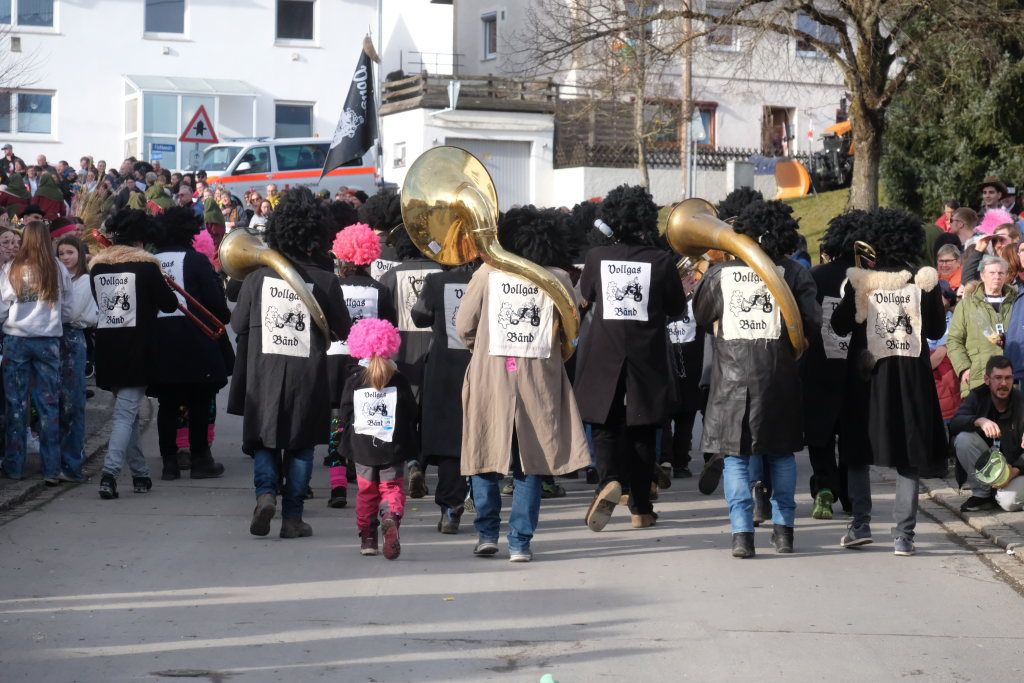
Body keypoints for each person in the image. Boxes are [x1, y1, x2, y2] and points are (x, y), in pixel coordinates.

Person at [457, 205, 590, 562]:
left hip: (491, 374)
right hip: (540, 377)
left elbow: (464, 325)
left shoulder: (488, 272)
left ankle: (487, 533)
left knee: (484, 452)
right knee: (531, 460)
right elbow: (571, 333)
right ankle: (520, 542)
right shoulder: (559, 278)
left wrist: (481, 347)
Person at [693, 200, 820, 558]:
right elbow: (812, 321)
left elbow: (700, 315)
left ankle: (742, 535)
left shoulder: (720, 274)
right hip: (779, 378)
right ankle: (784, 531)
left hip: (730, 381)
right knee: (780, 455)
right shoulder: (795, 273)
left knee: (735, 458)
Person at [228, 187, 351, 539]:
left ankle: (266, 495)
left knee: (264, 440)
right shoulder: (326, 281)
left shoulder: (257, 277)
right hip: (307, 376)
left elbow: (237, 324)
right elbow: (343, 330)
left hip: (263, 373)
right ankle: (293, 518)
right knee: (300, 445)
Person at [832, 208, 947, 557]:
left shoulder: (862, 282)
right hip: (911, 379)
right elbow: (937, 330)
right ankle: (904, 536)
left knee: (857, 451)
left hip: (867, 379)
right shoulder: (923, 282)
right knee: (908, 456)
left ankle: (860, 524)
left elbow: (838, 326)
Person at [574, 186, 687, 532]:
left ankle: (609, 481)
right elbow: (677, 308)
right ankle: (641, 508)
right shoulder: (661, 260)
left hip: (604, 353)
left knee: (605, 424)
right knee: (643, 430)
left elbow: (585, 296)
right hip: (646, 355)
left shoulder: (597, 257)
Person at [90, 209, 179, 498]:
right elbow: (169, 304)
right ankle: (110, 474)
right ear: (140, 240)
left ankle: (140, 473)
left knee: (125, 414)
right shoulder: (147, 267)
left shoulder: (97, 268)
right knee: (124, 416)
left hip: (108, 348)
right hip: (138, 349)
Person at [150, 207, 232, 481]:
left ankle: (169, 464)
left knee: (167, 403)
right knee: (199, 401)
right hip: (195, 340)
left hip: (160, 341)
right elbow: (217, 306)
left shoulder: (150, 262)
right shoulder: (196, 260)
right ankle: (200, 460)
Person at [325, 223, 397, 508]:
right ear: (370, 257)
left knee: (336, 422)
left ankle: (337, 485)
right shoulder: (380, 290)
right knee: (363, 420)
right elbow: (391, 329)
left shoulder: (332, 286)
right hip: (367, 364)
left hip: (334, 359)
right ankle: (362, 473)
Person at [802, 210, 868, 520]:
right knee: (853, 431)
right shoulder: (868, 278)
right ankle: (852, 494)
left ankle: (824, 488)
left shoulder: (815, 275)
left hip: (820, 364)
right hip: (857, 367)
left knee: (821, 432)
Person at [376, 191, 442, 497]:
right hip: (436, 354)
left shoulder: (390, 277)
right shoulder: (442, 274)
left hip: (402, 356)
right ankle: (422, 464)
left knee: (404, 414)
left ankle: (411, 462)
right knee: (429, 415)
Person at [338, 319, 417, 559]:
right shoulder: (399, 379)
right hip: (392, 447)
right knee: (391, 488)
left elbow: (345, 413)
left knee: (366, 492)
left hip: (362, 449)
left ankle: (368, 539)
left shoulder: (354, 379)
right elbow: (411, 412)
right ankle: (390, 516)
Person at [412, 256, 480, 533]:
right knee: (480, 435)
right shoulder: (487, 278)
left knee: (449, 440)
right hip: (480, 366)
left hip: (445, 370)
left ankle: (451, 508)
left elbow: (419, 317)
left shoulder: (436, 281)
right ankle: (476, 503)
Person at [0, 222, 72, 483]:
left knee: (16, 405)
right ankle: (51, 468)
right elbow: (68, 309)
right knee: (48, 405)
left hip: (17, 339)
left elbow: (2, 306)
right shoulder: (57, 268)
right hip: (48, 340)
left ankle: (14, 466)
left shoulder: (12, 268)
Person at [951, 356, 1024, 512]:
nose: (1003, 383)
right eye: (998, 378)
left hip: (1016, 468)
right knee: (963, 439)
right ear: (987, 379)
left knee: (1008, 502)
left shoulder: (1021, 402)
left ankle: (1001, 494)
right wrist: (978, 421)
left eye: (1008, 378)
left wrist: (1014, 471)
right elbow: (955, 423)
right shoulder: (977, 396)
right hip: (991, 463)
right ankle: (982, 495)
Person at [55, 235, 98, 483]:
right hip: (55, 337)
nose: (65, 258)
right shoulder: (60, 278)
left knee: (73, 402)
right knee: (57, 402)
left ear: (79, 254)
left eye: (69, 252)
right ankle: (57, 460)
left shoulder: (84, 280)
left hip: (73, 338)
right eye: (61, 253)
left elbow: (72, 313)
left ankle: (72, 462)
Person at [947, 256, 1017, 397]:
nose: (997, 276)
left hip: (1013, 379)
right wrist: (964, 368)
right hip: (978, 377)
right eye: (992, 273)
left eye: (1001, 273)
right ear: (982, 275)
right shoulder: (966, 305)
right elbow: (954, 341)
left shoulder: (1017, 302)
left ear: (1006, 275)